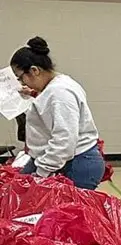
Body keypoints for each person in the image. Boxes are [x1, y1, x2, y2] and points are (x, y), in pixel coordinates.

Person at [9, 38, 105, 189]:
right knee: (19, 191)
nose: (22, 83)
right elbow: (50, 106)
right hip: (58, 158)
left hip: (75, 165)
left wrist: (41, 172)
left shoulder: (60, 93)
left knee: (60, 209)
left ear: (34, 70)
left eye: (21, 78)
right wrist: (34, 93)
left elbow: (64, 140)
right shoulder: (56, 85)